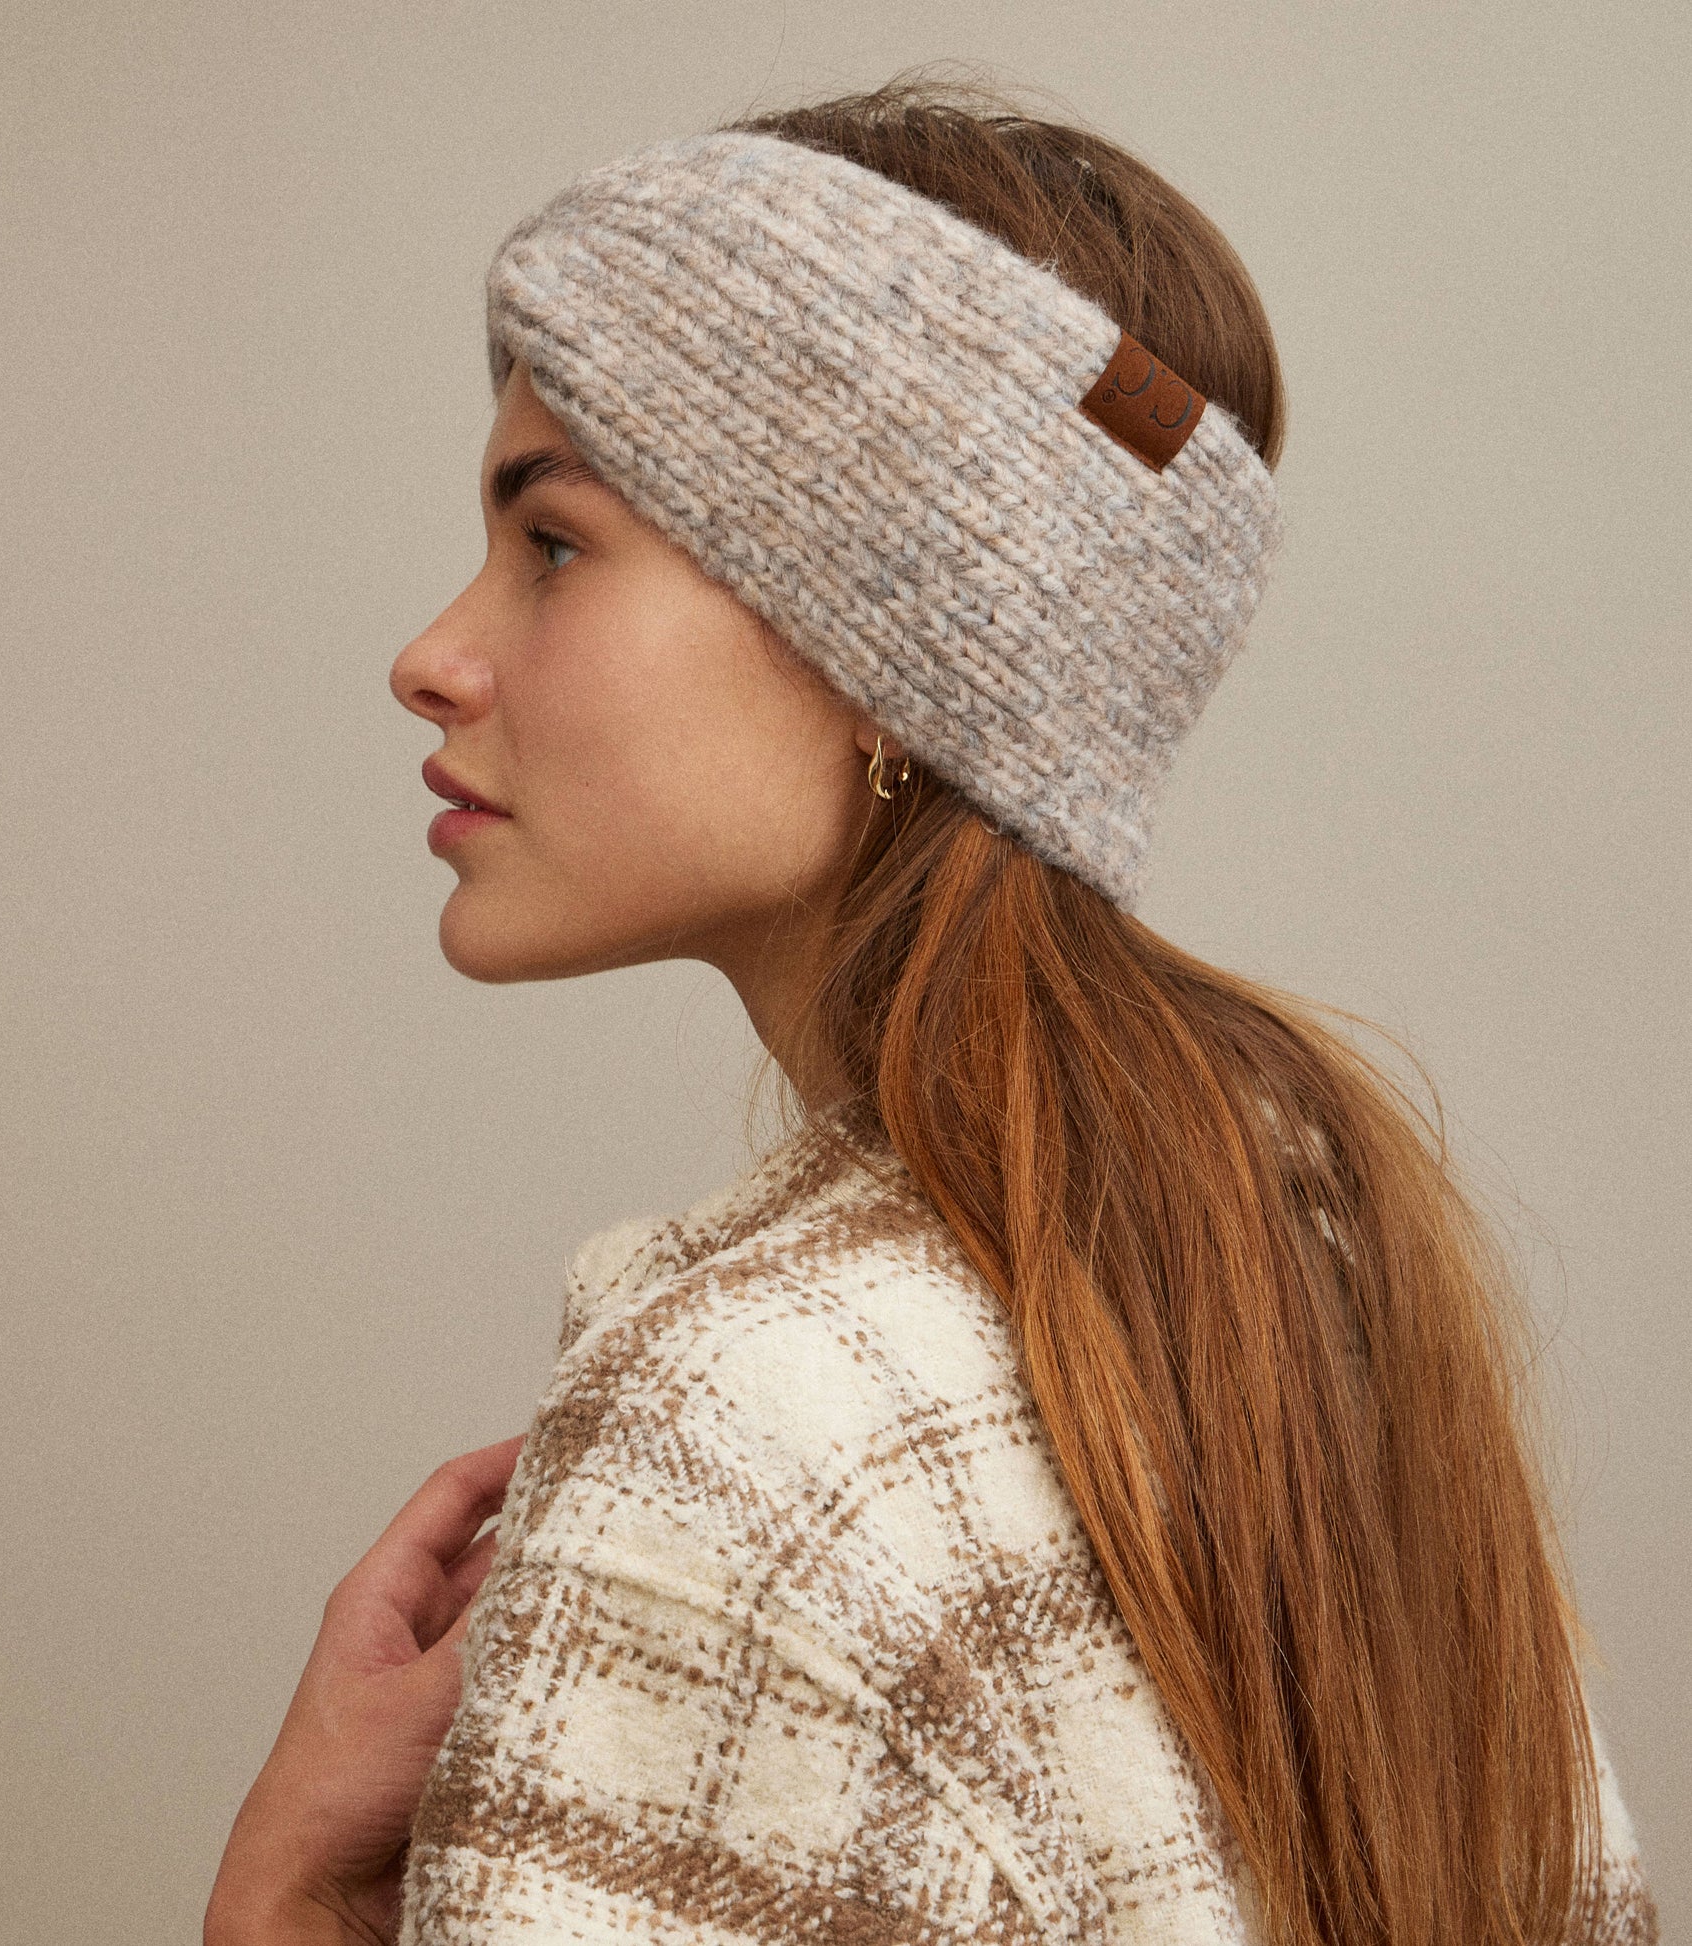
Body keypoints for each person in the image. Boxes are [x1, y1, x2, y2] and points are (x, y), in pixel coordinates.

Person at [205, 74, 1657, 1946]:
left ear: (894, 652)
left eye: (552, 543)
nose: (434, 655)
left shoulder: (738, 1421)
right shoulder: (1303, 1277)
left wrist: (285, 1891)